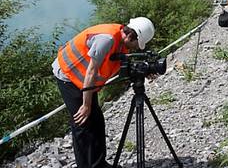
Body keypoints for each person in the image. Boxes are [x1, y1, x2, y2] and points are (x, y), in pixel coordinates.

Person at [52, 17, 155, 168]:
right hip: (67, 75)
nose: (136, 48)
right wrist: (86, 105)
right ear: (131, 36)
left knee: (97, 121)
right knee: (82, 123)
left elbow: (117, 65)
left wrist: (144, 71)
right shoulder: (106, 40)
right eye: (136, 44)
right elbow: (91, 72)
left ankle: (99, 164)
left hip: (85, 81)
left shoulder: (121, 40)